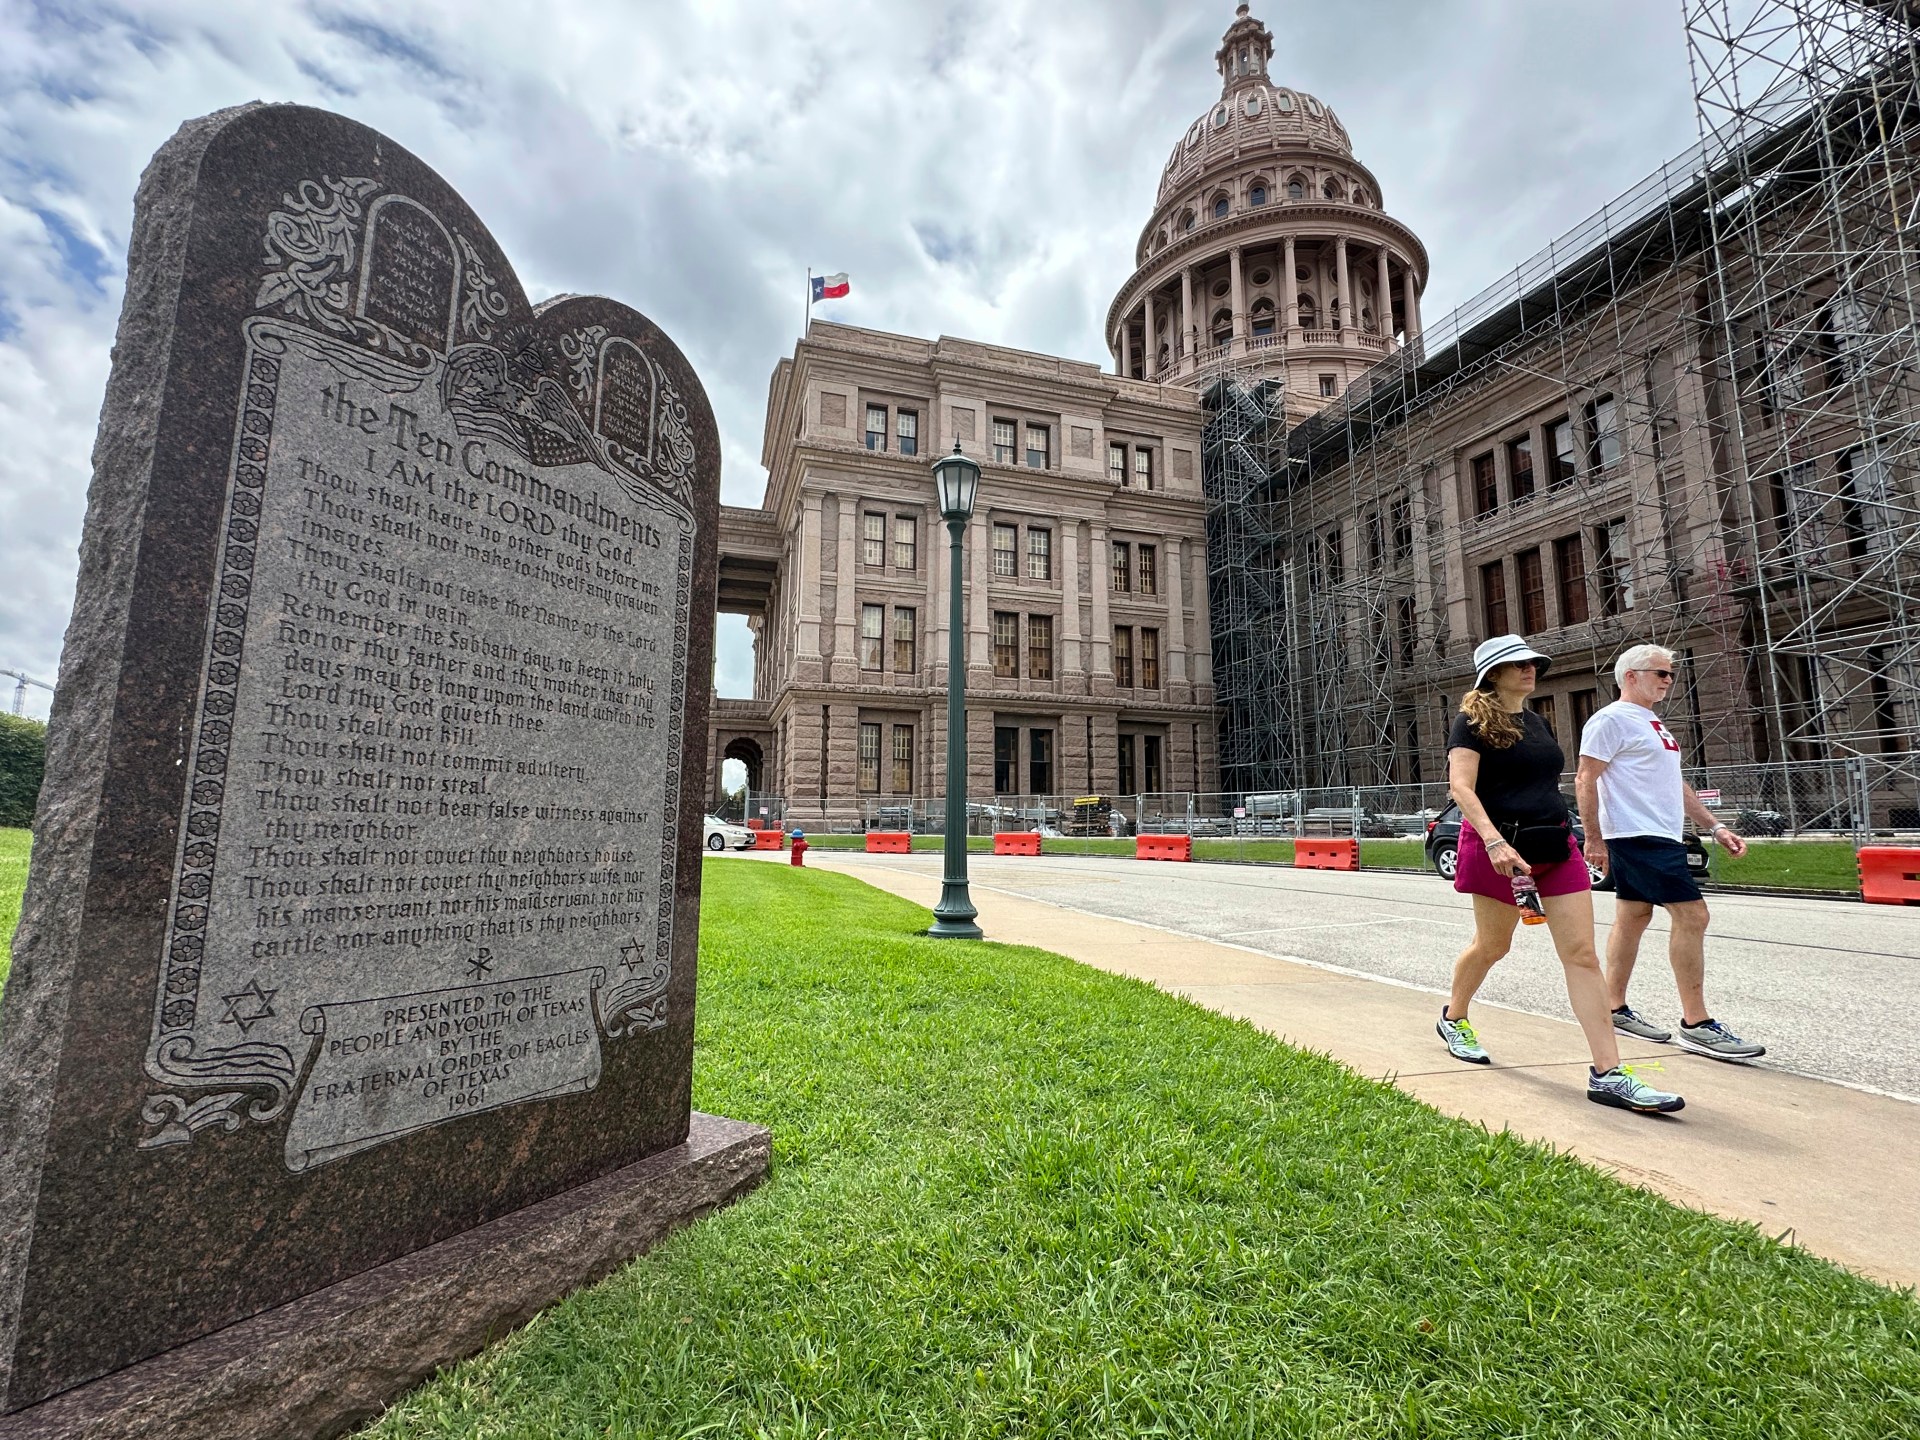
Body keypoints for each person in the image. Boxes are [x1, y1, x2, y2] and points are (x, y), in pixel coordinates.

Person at [1438, 634, 1685, 1113]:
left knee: (1582, 955)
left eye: (1533, 662)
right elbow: (1461, 787)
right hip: (1501, 849)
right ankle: (1454, 1017)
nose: (1530, 668)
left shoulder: (1536, 721)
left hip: (1554, 843)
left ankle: (1608, 1074)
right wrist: (1494, 841)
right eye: (1518, 663)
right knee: (1492, 946)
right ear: (1493, 674)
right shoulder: (1470, 722)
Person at [1576, 644, 1765, 1061]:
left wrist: (1714, 826)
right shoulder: (1610, 719)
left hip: (1661, 832)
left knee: (1633, 916)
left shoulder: (1652, 722)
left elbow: (1673, 784)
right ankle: (1696, 1023)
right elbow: (1586, 778)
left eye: (1670, 674)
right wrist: (1594, 838)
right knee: (1693, 915)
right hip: (1636, 833)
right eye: (1661, 673)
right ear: (1630, 676)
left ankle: (1612, 1007)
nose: (1668, 681)